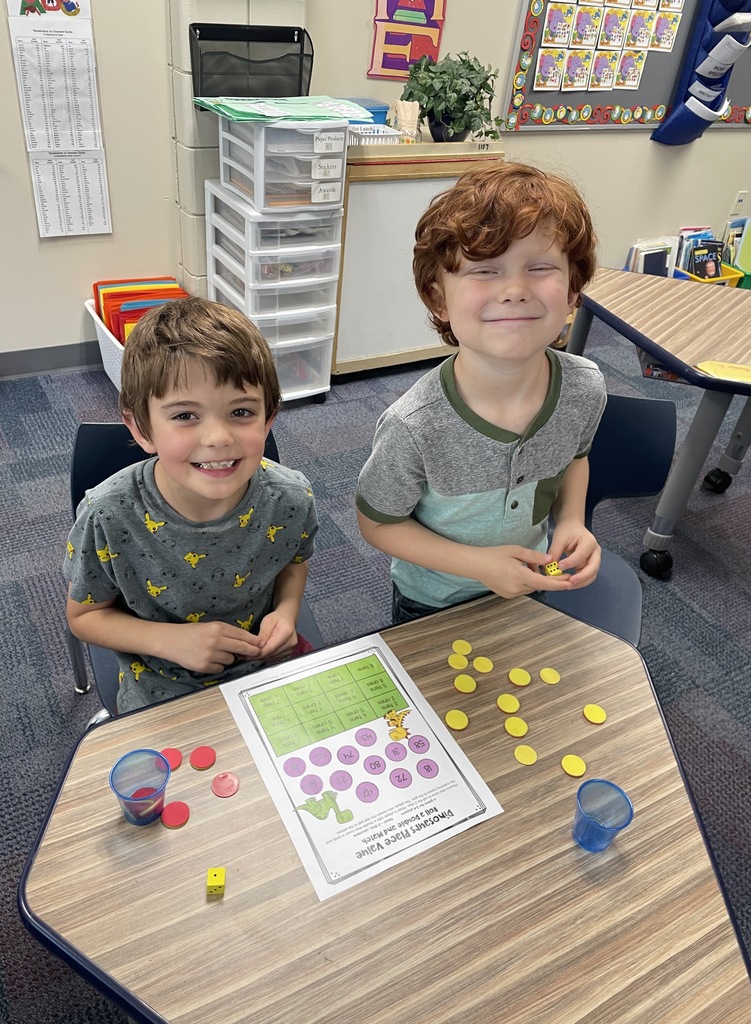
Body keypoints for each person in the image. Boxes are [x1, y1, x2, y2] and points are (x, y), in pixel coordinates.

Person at [355, 161, 606, 624]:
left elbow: (576, 458)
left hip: (529, 586)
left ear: (573, 291)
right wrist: (479, 567)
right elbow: (376, 522)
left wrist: (571, 520)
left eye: (540, 267)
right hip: (430, 600)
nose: (514, 289)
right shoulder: (413, 426)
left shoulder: (584, 387)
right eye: (485, 270)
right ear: (438, 299)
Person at [65, 297, 318, 712]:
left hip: (264, 669)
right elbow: (84, 616)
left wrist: (287, 612)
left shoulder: (292, 497)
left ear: (268, 418)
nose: (218, 437)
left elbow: (293, 561)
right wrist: (169, 641)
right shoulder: (107, 516)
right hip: (162, 688)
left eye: (241, 411)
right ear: (142, 428)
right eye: (184, 415)